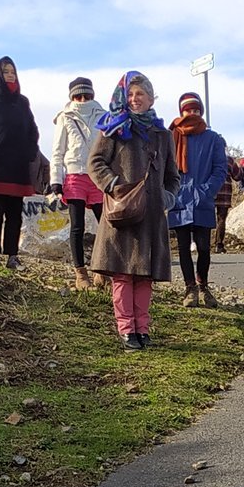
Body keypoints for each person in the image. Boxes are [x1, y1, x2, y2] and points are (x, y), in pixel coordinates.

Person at [88, 71, 179, 350]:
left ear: (151, 98)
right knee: (123, 274)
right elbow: (95, 163)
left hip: (151, 216)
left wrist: (167, 198)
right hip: (122, 214)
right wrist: (114, 185)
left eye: (140, 94)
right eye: (130, 94)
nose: (134, 99)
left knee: (144, 275)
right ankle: (127, 330)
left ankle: (143, 329)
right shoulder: (114, 128)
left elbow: (173, 177)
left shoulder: (163, 134)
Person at [0, 56, 39, 269]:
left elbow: (32, 130)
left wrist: (30, 152)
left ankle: (12, 256)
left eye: (13, 71)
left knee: (15, 213)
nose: (10, 75)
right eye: (6, 71)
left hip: (18, 165)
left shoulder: (22, 102)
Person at [167, 92, 229, 306]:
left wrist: (207, 191)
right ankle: (189, 288)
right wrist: (170, 192)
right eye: (188, 110)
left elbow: (221, 168)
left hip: (202, 199)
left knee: (203, 247)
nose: (191, 113)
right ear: (181, 112)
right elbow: (164, 167)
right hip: (179, 198)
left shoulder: (213, 138)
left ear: (201, 112)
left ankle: (204, 286)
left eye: (195, 110)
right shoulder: (171, 136)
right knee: (183, 247)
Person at [51, 77, 106, 288]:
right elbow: (58, 151)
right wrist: (56, 180)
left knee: (105, 226)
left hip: (97, 175)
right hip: (74, 174)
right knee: (78, 226)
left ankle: (102, 269)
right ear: (71, 97)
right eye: (78, 95)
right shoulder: (65, 117)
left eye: (87, 95)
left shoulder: (103, 116)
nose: (83, 99)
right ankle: (80, 273)